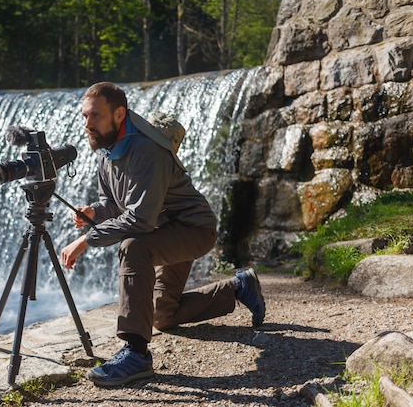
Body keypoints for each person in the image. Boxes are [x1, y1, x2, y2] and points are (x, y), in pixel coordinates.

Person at [60, 82, 265, 387]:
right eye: (84, 117)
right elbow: (114, 205)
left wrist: (86, 239)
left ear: (119, 114)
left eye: (94, 116)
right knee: (162, 316)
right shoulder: (106, 150)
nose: (87, 124)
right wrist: (94, 212)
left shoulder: (146, 149)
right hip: (163, 231)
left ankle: (136, 354)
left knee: (134, 247)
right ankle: (237, 287)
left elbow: (140, 219)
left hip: (192, 230)